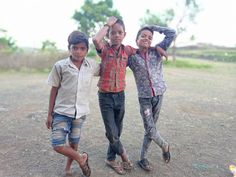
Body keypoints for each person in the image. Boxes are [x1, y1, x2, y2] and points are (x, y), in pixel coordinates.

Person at [45, 31, 100, 177]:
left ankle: (68, 169)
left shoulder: (91, 66)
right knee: (57, 144)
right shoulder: (60, 66)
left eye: (82, 48)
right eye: (75, 47)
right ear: (69, 48)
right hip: (61, 112)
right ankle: (81, 158)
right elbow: (54, 90)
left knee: (74, 143)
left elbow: (107, 66)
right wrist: (49, 114)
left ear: (87, 50)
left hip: (80, 114)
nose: (78, 51)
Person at [127, 25, 176, 171]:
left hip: (159, 95)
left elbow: (172, 33)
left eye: (150, 37)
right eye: (143, 35)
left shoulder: (157, 51)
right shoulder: (131, 57)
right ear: (137, 39)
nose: (147, 38)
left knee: (151, 128)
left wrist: (152, 27)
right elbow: (118, 54)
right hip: (145, 98)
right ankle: (164, 145)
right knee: (149, 128)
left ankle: (143, 158)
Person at [92, 16, 136, 175]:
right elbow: (96, 39)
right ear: (108, 34)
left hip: (120, 95)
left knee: (118, 129)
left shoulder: (128, 50)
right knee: (111, 131)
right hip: (105, 97)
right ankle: (124, 157)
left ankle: (110, 158)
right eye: (112, 32)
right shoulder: (104, 50)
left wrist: (157, 48)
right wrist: (107, 24)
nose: (116, 35)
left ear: (124, 34)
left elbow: (143, 49)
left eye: (119, 32)